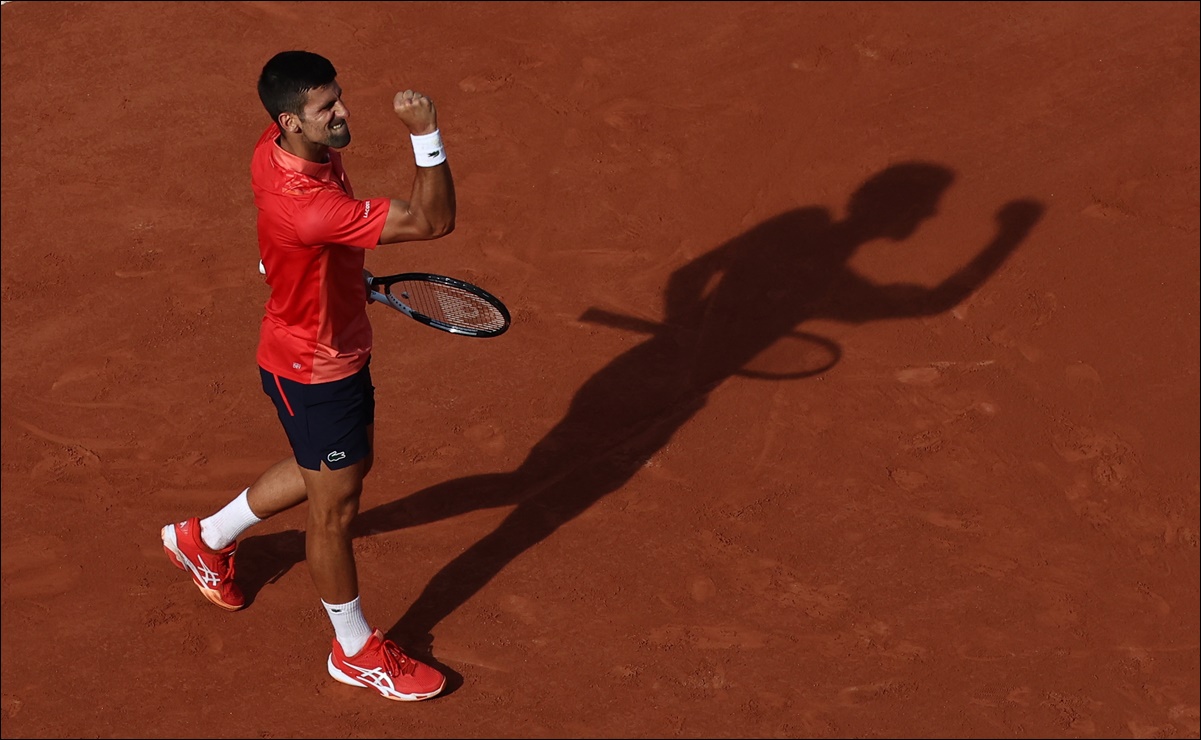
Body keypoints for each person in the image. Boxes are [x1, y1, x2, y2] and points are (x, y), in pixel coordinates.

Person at [160, 50, 455, 702]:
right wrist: (424, 133)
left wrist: (343, 279)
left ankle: (204, 539)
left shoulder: (274, 148)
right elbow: (434, 220)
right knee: (335, 510)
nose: (343, 112)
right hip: (316, 370)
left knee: (332, 467)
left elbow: (301, 242)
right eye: (328, 109)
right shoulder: (311, 208)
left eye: (339, 97)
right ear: (291, 121)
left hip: (318, 346)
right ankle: (354, 650)